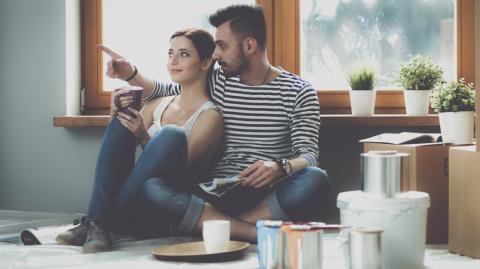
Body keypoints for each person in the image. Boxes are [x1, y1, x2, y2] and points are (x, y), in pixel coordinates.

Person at [100, 4, 330, 244]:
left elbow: (309, 155)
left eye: (222, 46)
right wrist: (130, 74)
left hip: (265, 191)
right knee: (154, 188)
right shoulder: (219, 79)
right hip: (212, 191)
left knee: (315, 179)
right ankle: (244, 229)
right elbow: (167, 89)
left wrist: (279, 167)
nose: (216, 54)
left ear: (249, 46)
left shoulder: (299, 92)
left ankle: (215, 224)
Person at [56, 28, 223, 253]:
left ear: (204, 63)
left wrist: (144, 136)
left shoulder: (210, 116)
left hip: (161, 207)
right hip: (132, 203)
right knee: (122, 116)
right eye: (170, 53)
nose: (173, 61)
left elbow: (180, 173)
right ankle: (98, 221)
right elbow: (117, 152)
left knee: (172, 134)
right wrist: (114, 114)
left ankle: (99, 220)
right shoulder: (158, 103)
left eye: (183, 54)